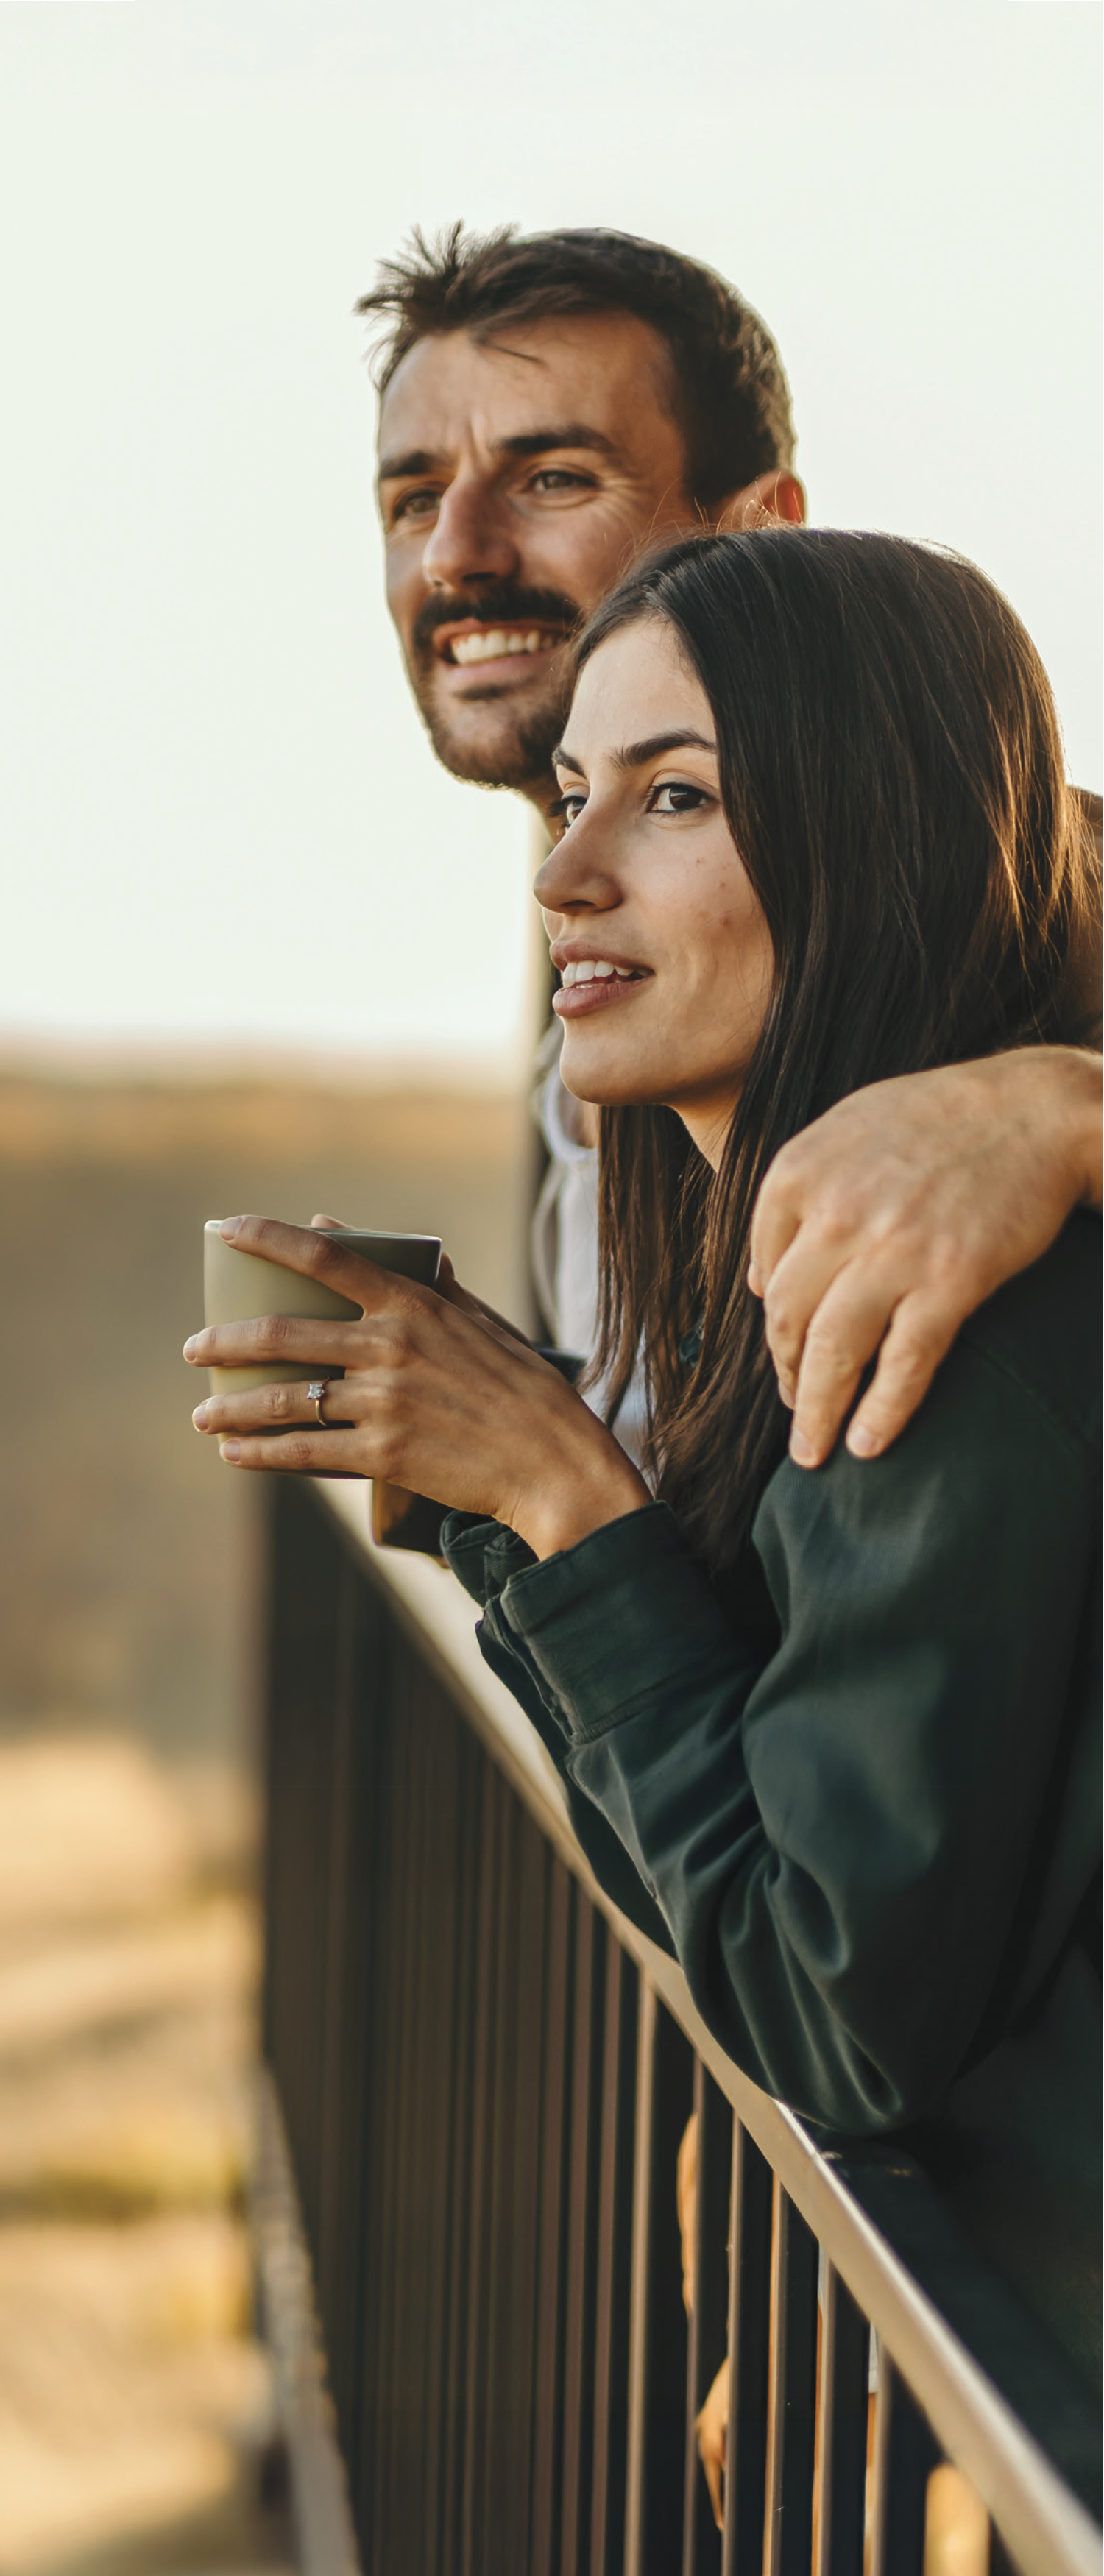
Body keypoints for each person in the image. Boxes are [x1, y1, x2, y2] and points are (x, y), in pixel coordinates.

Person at [188, 528, 1100, 2397]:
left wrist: (569, 1503)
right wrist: (517, 1520)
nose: (565, 870)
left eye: (675, 795)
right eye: (574, 793)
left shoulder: (931, 1319)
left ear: (871, 838)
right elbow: (720, 1854)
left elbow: (824, 2006)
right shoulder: (801, 1280)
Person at [361, 224, 1101, 1469]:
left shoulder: (1035, 872)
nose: (457, 554)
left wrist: (1070, 1110)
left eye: (553, 479)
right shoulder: (594, 987)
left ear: (761, 527)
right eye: (416, 498)